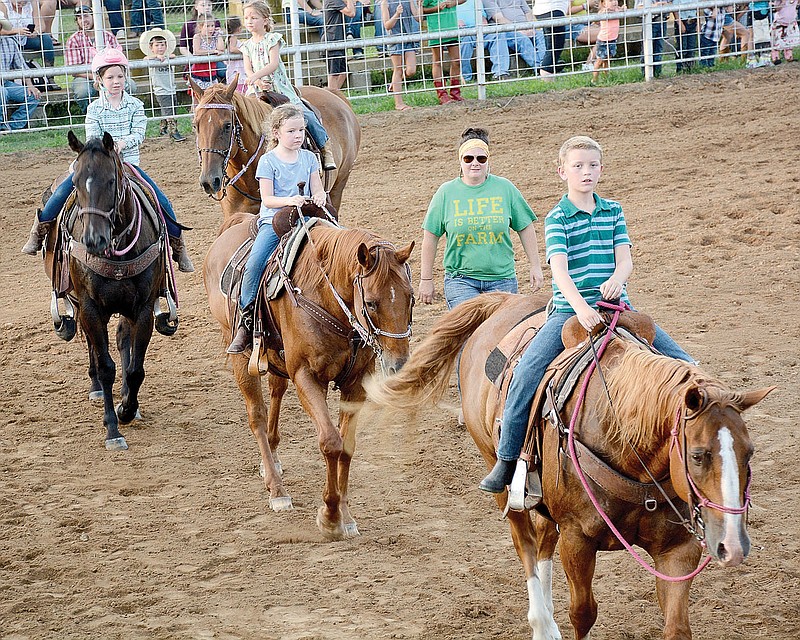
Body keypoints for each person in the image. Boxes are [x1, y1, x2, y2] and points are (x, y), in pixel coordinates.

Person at [479, 135, 696, 493]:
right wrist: (581, 309)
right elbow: (560, 273)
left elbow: (625, 259)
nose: (586, 172)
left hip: (617, 309)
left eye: (592, 165)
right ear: (561, 171)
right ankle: (506, 458)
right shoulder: (557, 217)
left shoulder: (613, 210)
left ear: (601, 169)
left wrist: (616, 278)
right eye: (578, 166)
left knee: (683, 362)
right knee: (526, 374)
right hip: (568, 311)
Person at [21, 49, 194, 273]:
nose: (116, 81)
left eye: (120, 76)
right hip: (97, 165)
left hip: (128, 164)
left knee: (159, 198)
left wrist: (122, 143)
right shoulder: (94, 109)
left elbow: (139, 133)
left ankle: (178, 246)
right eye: (110, 77)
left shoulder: (135, 106)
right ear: (100, 80)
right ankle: (39, 230)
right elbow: (93, 138)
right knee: (63, 190)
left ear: (126, 77)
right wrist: (108, 150)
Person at [227, 103, 327, 354]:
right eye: (292, 131)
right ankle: (246, 319)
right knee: (255, 263)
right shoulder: (267, 162)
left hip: (307, 216)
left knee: (342, 244)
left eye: (301, 130)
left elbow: (317, 188)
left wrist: (321, 196)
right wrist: (291, 200)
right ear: (276, 133)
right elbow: (268, 199)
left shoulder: (310, 158)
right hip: (275, 220)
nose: (298, 136)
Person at [419, 127, 543, 310]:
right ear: (460, 161)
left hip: (502, 279)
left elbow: (525, 227)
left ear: (488, 161)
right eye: (468, 159)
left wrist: (535, 265)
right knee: (470, 333)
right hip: (460, 280)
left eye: (481, 158)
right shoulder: (446, 193)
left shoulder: (505, 188)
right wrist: (426, 279)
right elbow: (430, 237)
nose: (474, 163)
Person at [240, 0, 337, 170]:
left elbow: (273, 64)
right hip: (257, 87)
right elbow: (247, 69)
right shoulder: (246, 46)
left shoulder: (272, 39)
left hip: (279, 87)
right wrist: (257, 81)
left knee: (304, 114)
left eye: (254, 17)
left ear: (265, 19)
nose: (249, 21)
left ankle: (325, 148)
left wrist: (256, 76)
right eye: (246, 17)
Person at [65, 4, 133, 113]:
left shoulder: (108, 36)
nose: (83, 20)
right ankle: (92, 116)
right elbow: (74, 69)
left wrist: (106, 77)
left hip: (110, 74)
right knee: (83, 92)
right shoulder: (73, 40)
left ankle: (121, 112)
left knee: (130, 86)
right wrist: (95, 77)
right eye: (79, 18)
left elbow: (120, 59)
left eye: (86, 16)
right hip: (85, 76)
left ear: (93, 16)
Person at [141, 27, 186, 141]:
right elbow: (145, 59)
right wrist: (156, 57)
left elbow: (173, 56)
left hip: (171, 88)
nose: (160, 48)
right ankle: (173, 131)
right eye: (157, 45)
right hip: (161, 90)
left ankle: (163, 128)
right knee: (169, 110)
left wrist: (165, 57)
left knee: (172, 109)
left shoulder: (168, 57)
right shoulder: (152, 59)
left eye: (162, 45)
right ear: (151, 47)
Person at [1, 0, 57, 83]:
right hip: (10, 38)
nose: (19, 4)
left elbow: (41, 26)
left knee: (46, 39)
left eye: (22, 2)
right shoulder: (3, 4)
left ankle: (49, 75)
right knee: (8, 43)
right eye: (17, 2)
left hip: (27, 37)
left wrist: (35, 32)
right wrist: (17, 31)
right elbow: (1, 30)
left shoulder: (32, 2)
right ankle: (10, 79)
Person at [483, 0, 545, 74]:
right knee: (522, 39)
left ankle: (546, 63)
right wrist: (519, 30)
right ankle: (540, 68)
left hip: (526, 28)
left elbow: (528, 13)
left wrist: (530, 27)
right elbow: (499, 19)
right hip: (506, 30)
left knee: (541, 35)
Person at [420, 0, 465, 103]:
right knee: (437, 61)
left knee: (457, 61)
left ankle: (455, 92)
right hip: (436, 28)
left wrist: (454, 3)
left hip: (452, 26)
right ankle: (441, 94)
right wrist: (436, 8)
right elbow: (421, 10)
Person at [381, 0, 420, 110]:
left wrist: (420, 5)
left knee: (411, 70)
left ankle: (395, 82)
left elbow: (418, 18)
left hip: (408, 38)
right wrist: (397, 14)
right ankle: (399, 103)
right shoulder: (385, 3)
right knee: (397, 69)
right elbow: (387, 25)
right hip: (395, 39)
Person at [458, 0, 511, 82]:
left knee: (498, 35)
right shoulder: (449, 2)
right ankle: (465, 77)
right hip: (463, 32)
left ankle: (500, 73)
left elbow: (483, 16)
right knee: (465, 41)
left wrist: (483, 21)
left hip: (480, 30)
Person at [0, 32, 41, 132]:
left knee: (33, 96)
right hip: (4, 87)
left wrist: (30, 86)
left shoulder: (9, 42)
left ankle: (13, 127)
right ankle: (1, 125)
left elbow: (22, 67)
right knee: (2, 93)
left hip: (5, 83)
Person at [179, 0, 226, 82]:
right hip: (197, 58)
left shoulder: (215, 21)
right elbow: (183, 48)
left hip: (214, 58)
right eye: (203, 5)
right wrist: (193, 60)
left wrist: (219, 35)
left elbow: (220, 47)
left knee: (225, 71)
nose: (207, 7)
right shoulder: (189, 25)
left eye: (209, 5)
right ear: (196, 7)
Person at [323, 0, 356, 90]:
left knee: (344, 72)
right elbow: (351, 13)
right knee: (333, 74)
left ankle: (334, 96)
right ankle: (331, 97)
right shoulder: (333, 1)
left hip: (339, 39)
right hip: (333, 40)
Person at [190, 12, 224, 92]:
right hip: (200, 71)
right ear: (200, 27)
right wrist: (213, 51)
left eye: (212, 26)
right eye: (207, 26)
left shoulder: (214, 37)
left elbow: (221, 49)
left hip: (211, 72)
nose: (211, 29)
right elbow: (197, 51)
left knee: (212, 94)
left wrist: (219, 35)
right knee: (198, 96)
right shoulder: (198, 37)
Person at [591, 0, 621, 84]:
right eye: (610, 1)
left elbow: (623, 9)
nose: (614, 2)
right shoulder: (603, 11)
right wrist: (604, 11)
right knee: (599, 61)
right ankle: (594, 79)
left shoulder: (617, 10)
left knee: (607, 60)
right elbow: (599, 16)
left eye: (615, 0)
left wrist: (623, 8)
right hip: (603, 41)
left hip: (612, 39)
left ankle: (606, 77)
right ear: (604, 3)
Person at [672, 0, 700, 73]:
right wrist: (680, 23)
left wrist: (698, 22)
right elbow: (675, 9)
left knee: (691, 47)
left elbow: (698, 7)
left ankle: (690, 69)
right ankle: (680, 69)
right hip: (682, 20)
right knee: (682, 47)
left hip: (693, 21)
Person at [225, 15, 247, 93]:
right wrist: (244, 50)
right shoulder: (233, 37)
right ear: (239, 28)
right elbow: (232, 49)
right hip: (236, 67)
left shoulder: (230, 37)